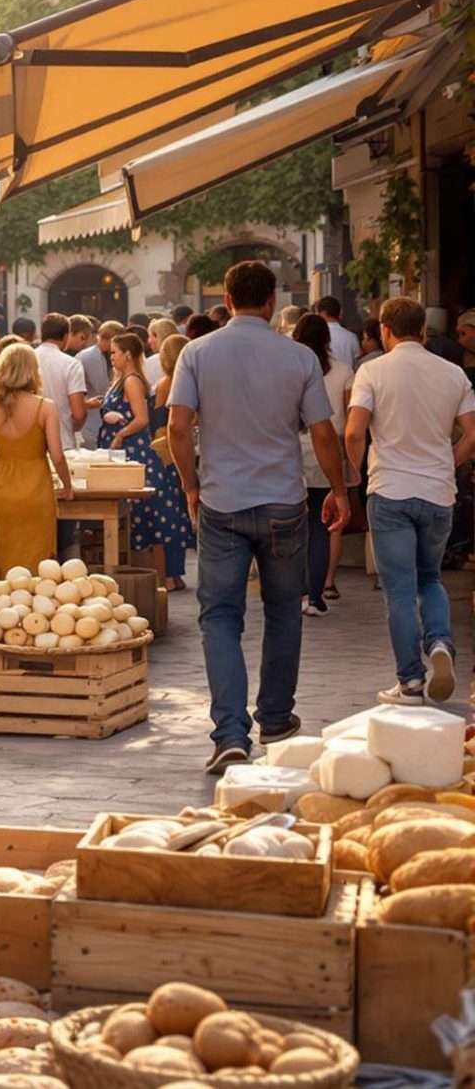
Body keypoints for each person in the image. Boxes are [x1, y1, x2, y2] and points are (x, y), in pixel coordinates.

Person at [168, 260, 352, 772]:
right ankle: (274, 717)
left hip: (222, 503)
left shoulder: (196, 354)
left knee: (220, 618)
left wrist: (190, 484)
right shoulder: (298, 357)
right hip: (283, 503)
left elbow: (178, 426)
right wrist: (339, 489)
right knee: (282, 611)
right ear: (271, 301)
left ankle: (229, 733)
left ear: (227, 301)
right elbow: (322, 433)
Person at [345, 297, 475, 706]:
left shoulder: (372, 371)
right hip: (437, 492)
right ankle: (439, 643)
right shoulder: (453, 374)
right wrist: (448, 461)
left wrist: (357, 472)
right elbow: (472, 434)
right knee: (430, 578)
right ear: (423, 331)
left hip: (390, 491)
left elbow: (353, 432)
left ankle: (411, 683)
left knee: (399, 591)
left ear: (385, 330)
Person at [102, 332, 191, 588]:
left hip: (136, 453)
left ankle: (159, 584)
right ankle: (159, 582)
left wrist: (119, 432)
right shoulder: (126, 379)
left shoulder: (132, 380)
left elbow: (141, 419)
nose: (112, 357)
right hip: (130, 453)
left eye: (115, 353)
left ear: (127, 354)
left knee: (148, 521)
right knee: (145, 522)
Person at [0, 342, 73, 572]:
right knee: (37, 565)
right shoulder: (45, 407)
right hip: (36, 492)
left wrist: (6, 458)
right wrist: (67, 487)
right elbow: (57, 456)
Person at [292, 313, 354, 616]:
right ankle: (315, 596)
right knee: (320, 525)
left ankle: (299, 591)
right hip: (329, 452)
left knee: (295, 526)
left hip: (292, 452)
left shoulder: (290, 367)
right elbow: (349, 415)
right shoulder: (344, 371)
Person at [32, 314, 87, 451]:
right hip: (62, 440)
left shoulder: (27, 359)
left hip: (29, 441)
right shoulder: (72, 364)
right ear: (65, 336)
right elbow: (79, 413)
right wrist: (70, 426)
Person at [316, 297, 361, 369]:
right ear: (340, 313)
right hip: (348, 378)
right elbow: (356, 364)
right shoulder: (352, 337)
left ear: (322, 313)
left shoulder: (316, 336)